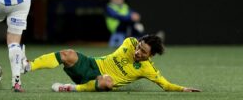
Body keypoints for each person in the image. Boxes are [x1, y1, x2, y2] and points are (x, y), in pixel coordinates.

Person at [22, 35, 201, 92]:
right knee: (67, 54)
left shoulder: (148, 69)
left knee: (108, 82)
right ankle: (28, 66)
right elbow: (133, 44)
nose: (137, 51)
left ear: (151, 55)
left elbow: (166, 85)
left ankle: (69, 88)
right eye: (139, 47)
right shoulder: (129, 42)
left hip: (99, 80)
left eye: (143, 52)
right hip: (90, 64)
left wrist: (183, 89)